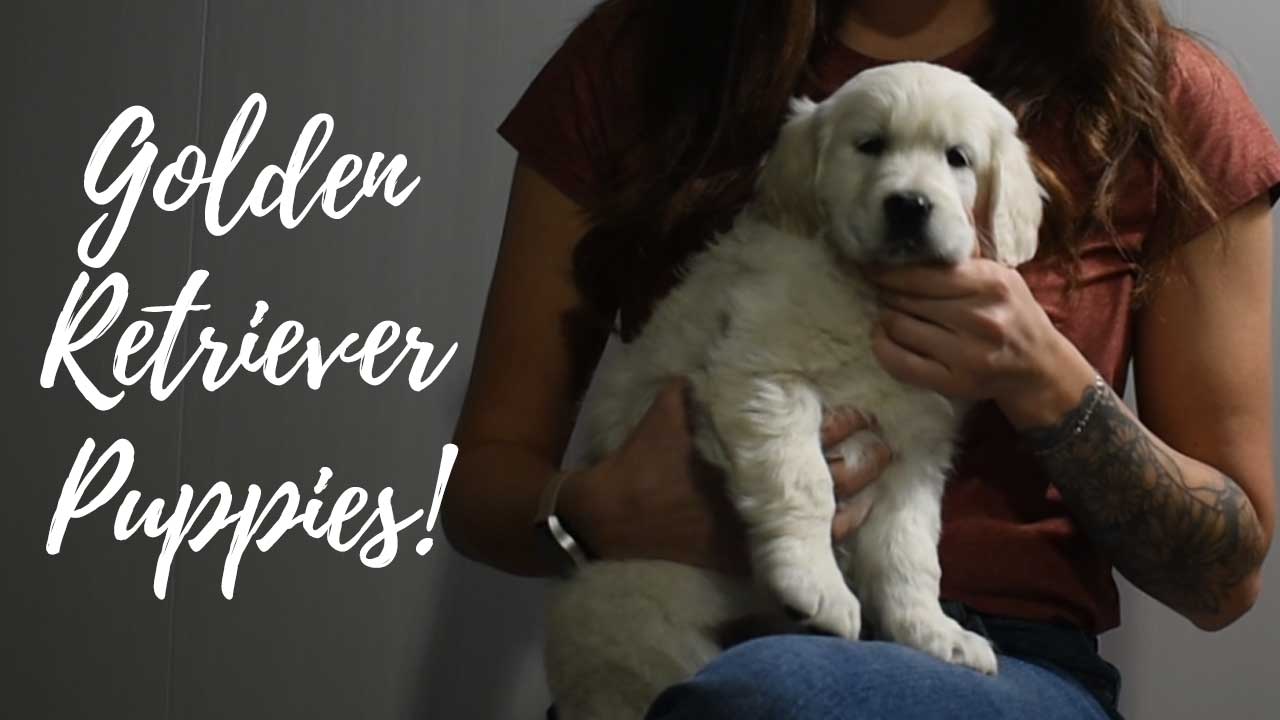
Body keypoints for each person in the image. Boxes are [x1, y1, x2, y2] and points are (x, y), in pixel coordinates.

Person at [443, 1, 1280, 717]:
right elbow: (479, 487)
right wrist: (595, 510)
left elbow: (1225, 581)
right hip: (673, 607)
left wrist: (1043, 378)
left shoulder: (1159, 89)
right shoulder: (649, 53)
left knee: (768, 696)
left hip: (992, 658)